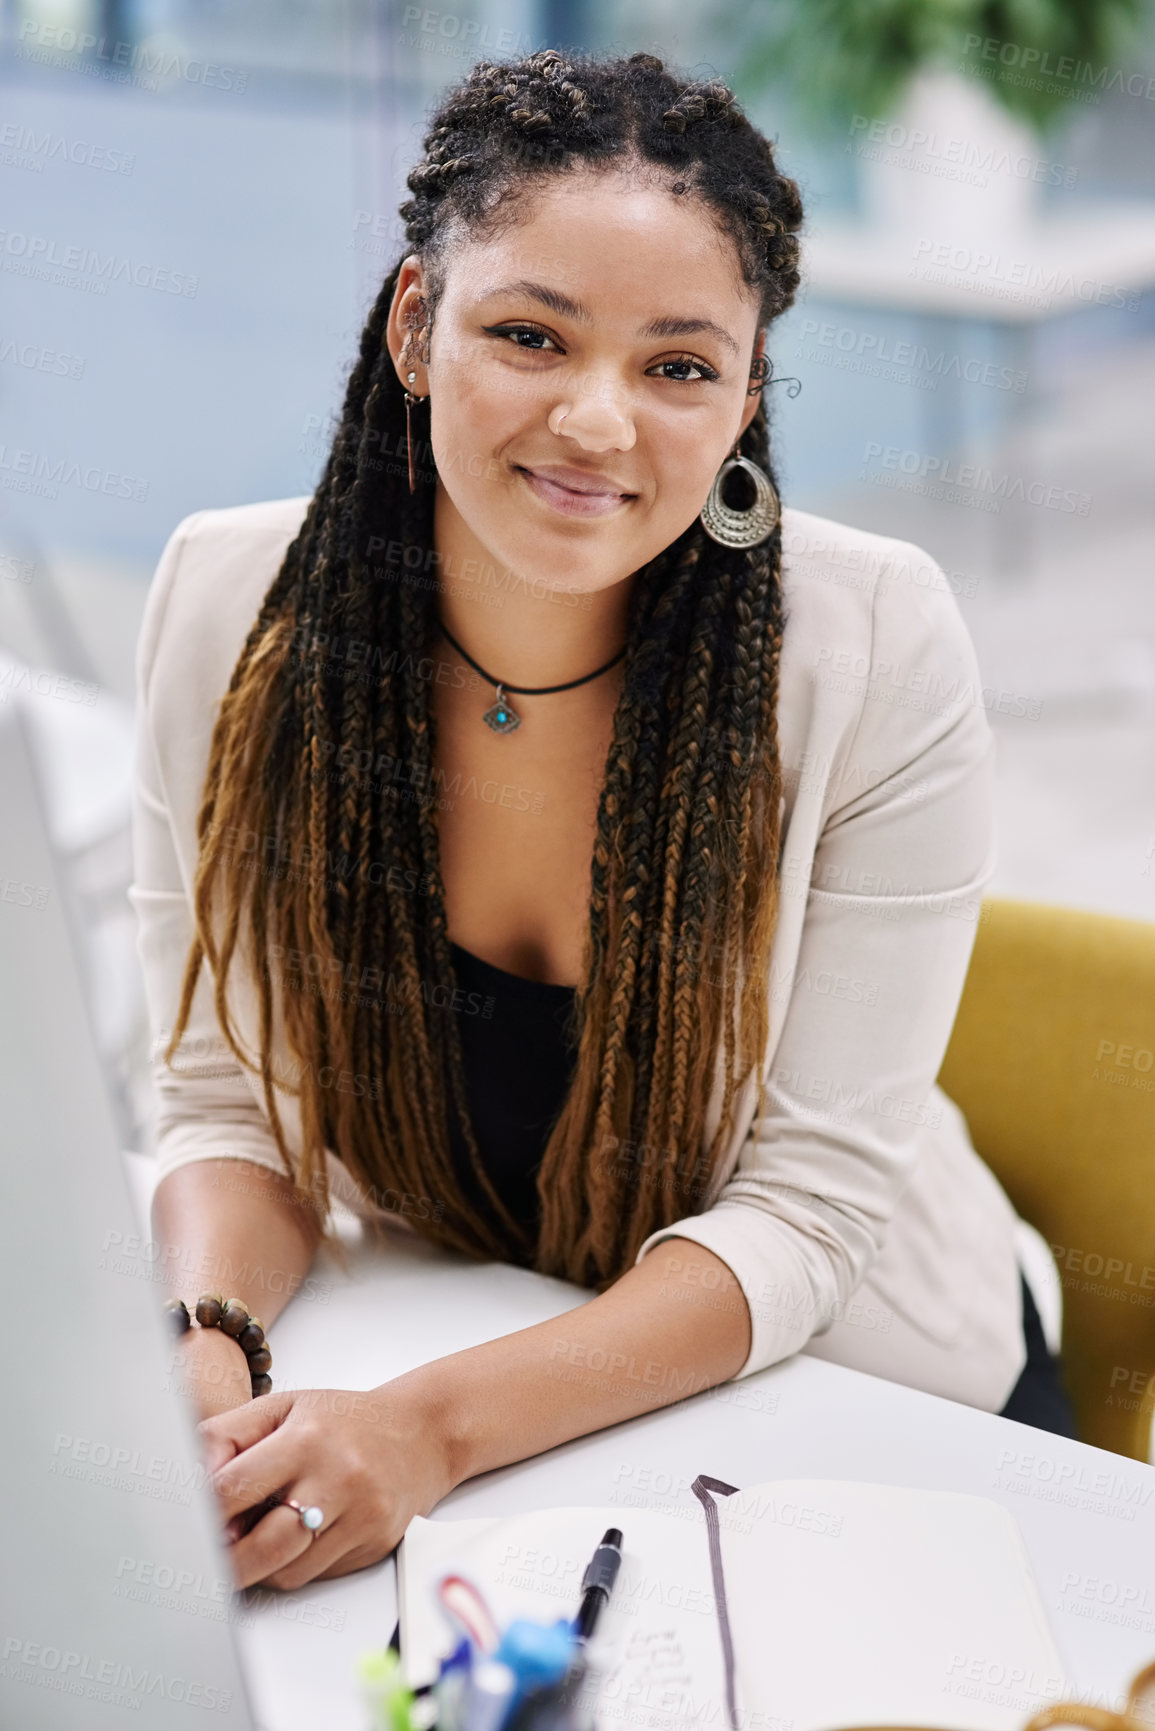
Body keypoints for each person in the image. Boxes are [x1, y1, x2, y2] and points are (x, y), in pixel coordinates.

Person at [130, 48, 1076, 1596]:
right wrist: (208, 1346)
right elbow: (233, 1097)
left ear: (747, 396)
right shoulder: (232, 609)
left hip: (845, 1400)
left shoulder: (877, 642)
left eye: (679, 367)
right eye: (530, 333)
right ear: (418, 327)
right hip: (452, 1335)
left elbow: (811, 1215)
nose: (598, 421)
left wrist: (427, 1432)